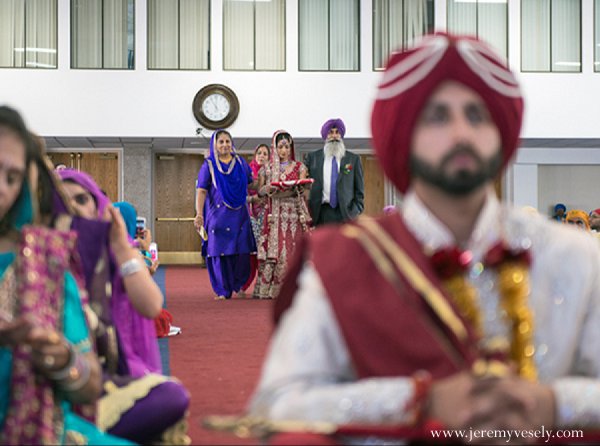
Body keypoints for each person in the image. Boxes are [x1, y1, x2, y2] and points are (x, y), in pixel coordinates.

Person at [247, 33, 600, 443]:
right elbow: (276, 407)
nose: (460, 132)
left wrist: (554, 404)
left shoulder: (573, 255)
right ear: (404, 136)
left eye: (477, 115)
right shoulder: (349, 263)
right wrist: (419, 400)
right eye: (436, 117)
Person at [0, 106, 131, 445]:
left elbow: (89, 383)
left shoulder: (41, 262)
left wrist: (61, 359)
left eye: (12, 177)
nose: (1, 187)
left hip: (36, 430)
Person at [57, 169, 191, 444]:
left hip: (107, 380)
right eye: (62, 201)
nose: (74, 209)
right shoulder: (37, 255)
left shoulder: (115, 250)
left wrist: (120, 247)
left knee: (172, 397)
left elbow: (151, 305)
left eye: (82, 200)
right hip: (54, 386)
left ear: (97, 205)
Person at [194, 129, 256, 300]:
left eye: (227, 141)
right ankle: (222, 290)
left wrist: (267, 186)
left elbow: (252, 184)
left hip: (240, 214)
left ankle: (239, 285)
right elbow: (201, 191)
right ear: (214, 144)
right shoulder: (209, 165)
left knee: (241, 251)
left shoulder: (240, 162)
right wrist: (199, 214)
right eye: (220, 142)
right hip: (217, 215)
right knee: (219, 252)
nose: (225, 145)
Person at [254, 131, 312, 300]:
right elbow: (260, 190)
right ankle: (269, 288)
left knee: (292, 248)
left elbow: (302, 188)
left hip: (293, 212)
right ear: (275, 148)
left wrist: (299, 187)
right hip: (274, 213)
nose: (284, 150)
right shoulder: (267, 168)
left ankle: (294, 288)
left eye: (287, 146)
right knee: (276, 249)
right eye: (280, 147)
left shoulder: (299, 166)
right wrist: (268, 189)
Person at [304, 118, 364, 226]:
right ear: (325, 136)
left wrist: (353, 213)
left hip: (345, 215)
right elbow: (303, 184)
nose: (334, 136)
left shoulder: (353, 159)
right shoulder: (313, 158)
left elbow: (359, 193)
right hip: (320, 214)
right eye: (330, 132)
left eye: (337, 132)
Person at [239, 143, 270, 298]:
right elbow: (239, 196)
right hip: (249, 218)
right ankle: (243, 286)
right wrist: (253, 199)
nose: (262, 156)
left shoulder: (272, 174)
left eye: (265, 154)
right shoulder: (247, 172)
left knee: (264, 254)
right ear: (255, 155)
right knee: (250, 254)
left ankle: (262, 286)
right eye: (259, 153)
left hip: (267, 218)